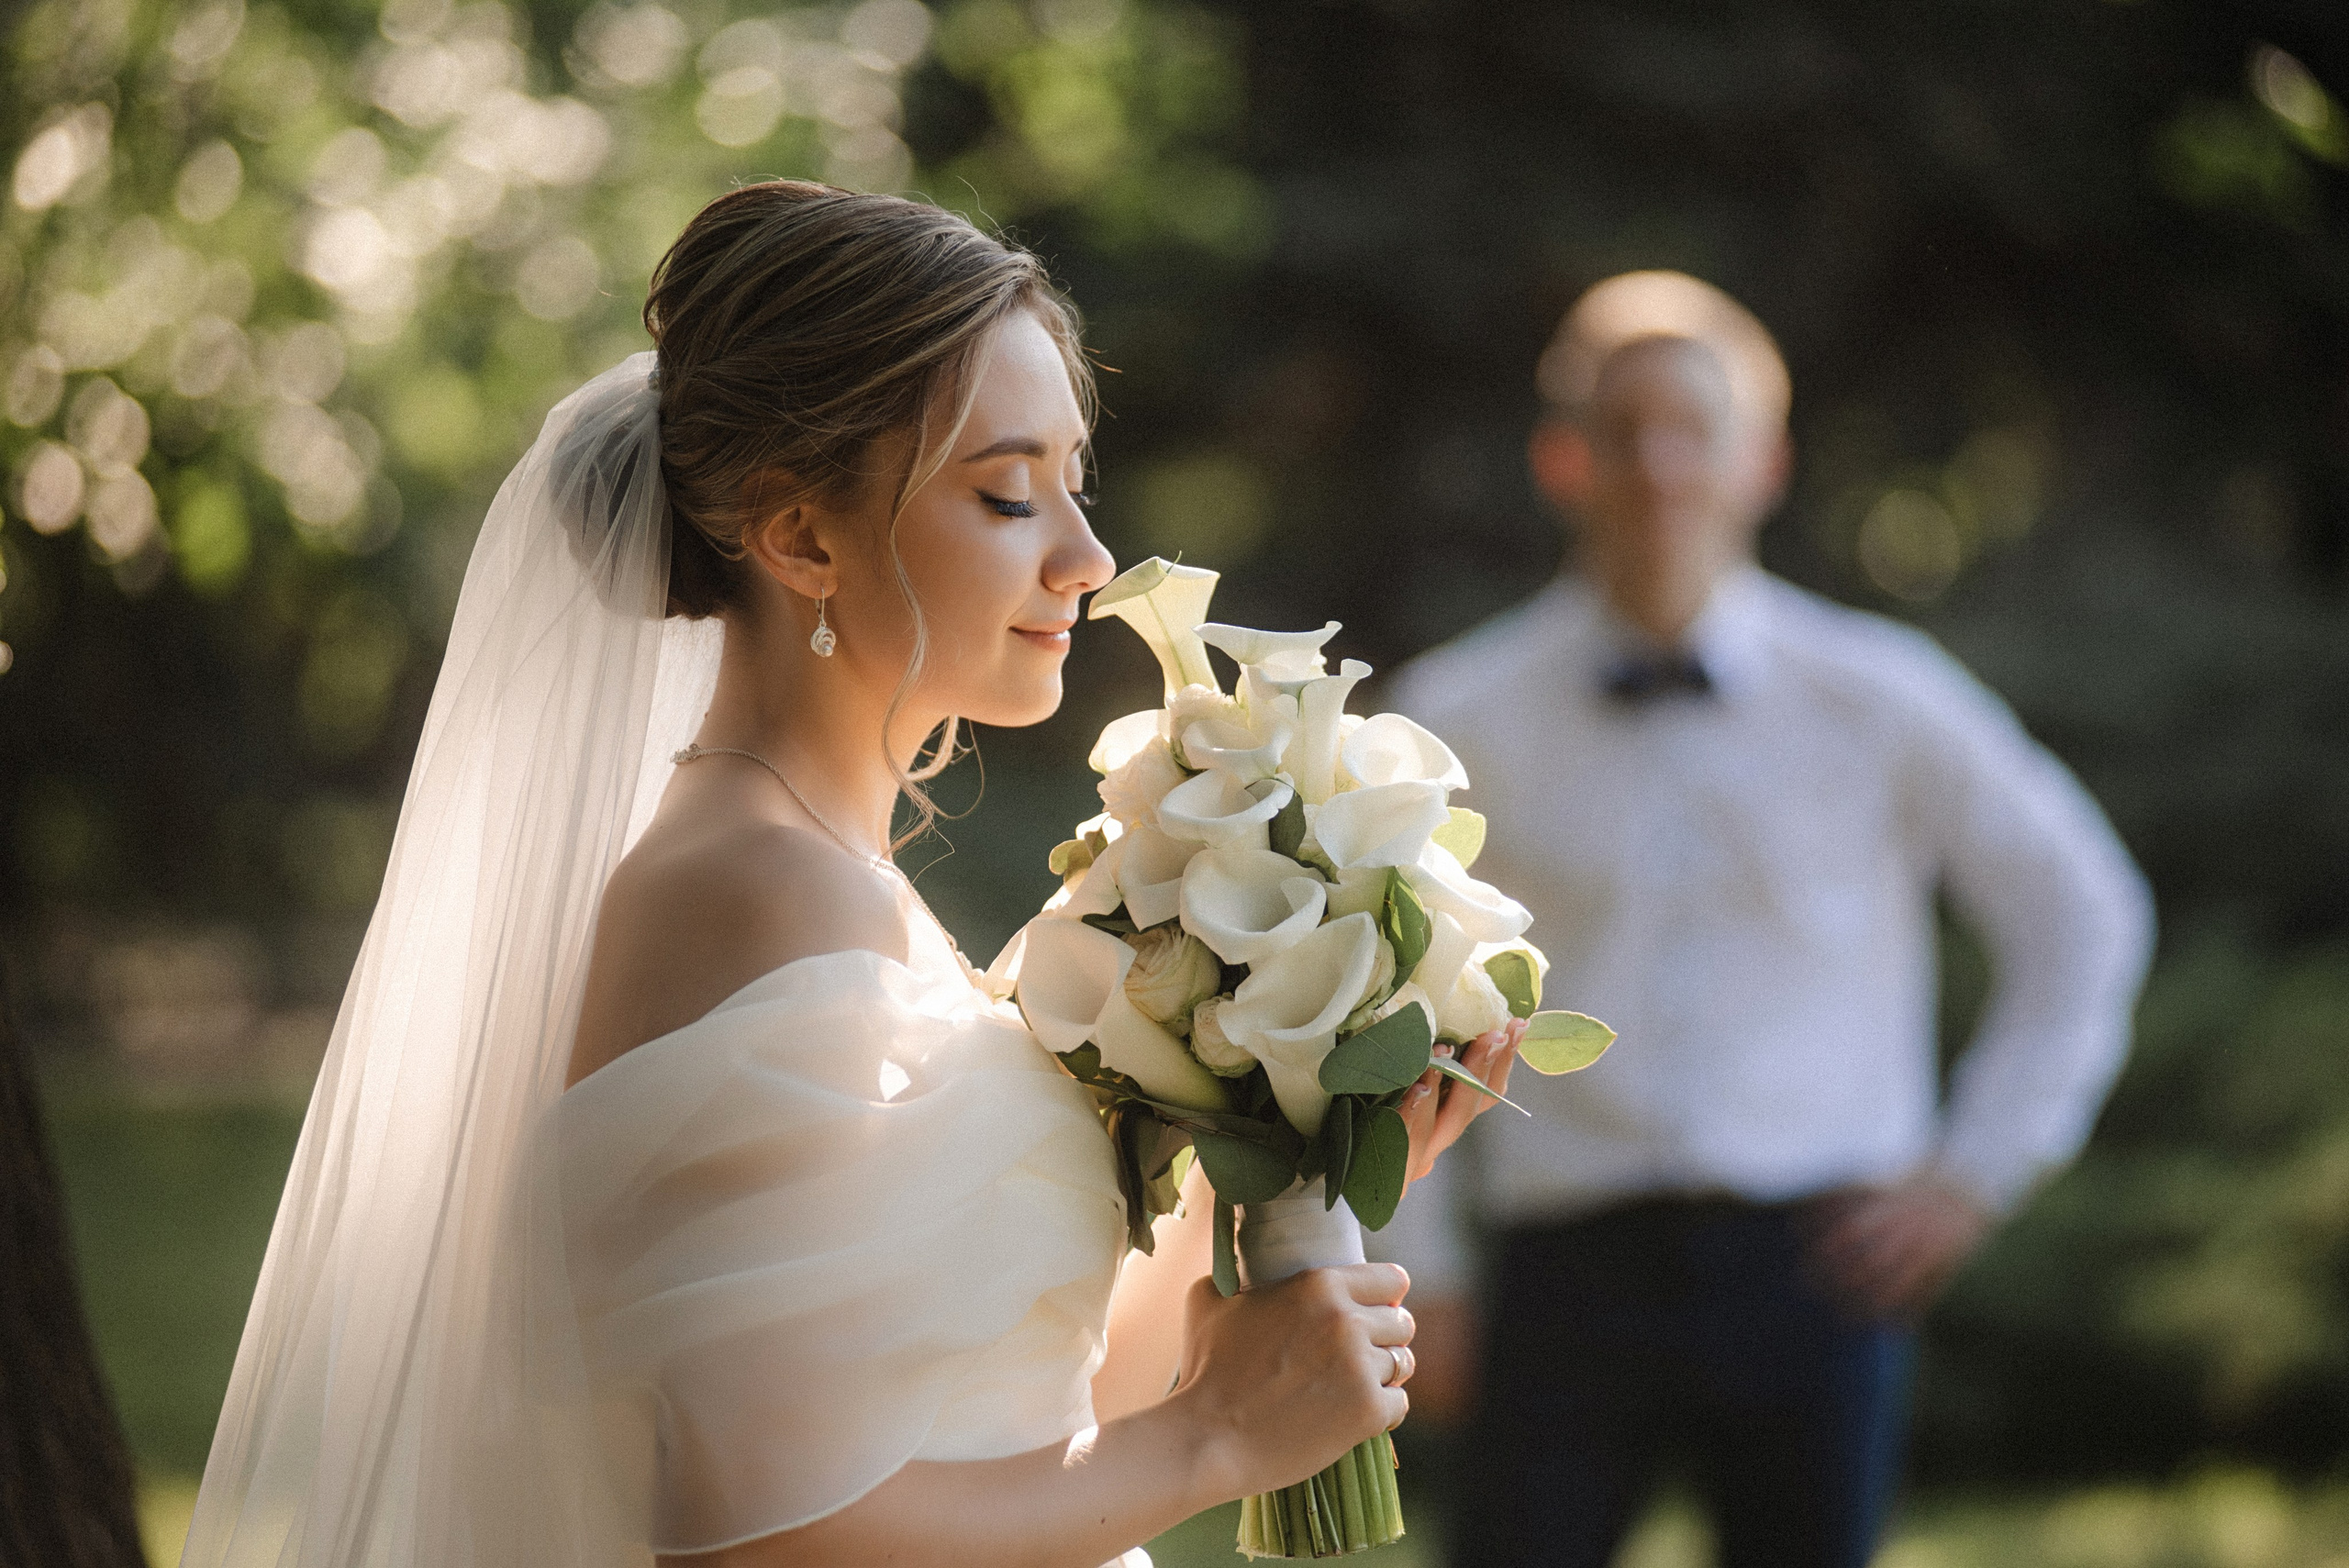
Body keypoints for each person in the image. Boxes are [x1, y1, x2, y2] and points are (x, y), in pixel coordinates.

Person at [177, 183, 1521, 1568]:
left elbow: (1008, 1410)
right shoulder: (754, 888)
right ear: (803, 537)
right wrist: (1212, 1442)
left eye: (1074, 479)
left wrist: (1301, 1170)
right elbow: (756, 1533)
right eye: (1007, 493)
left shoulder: (831, 872)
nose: (1089, 558)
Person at [1375, 271, 2154, 1568]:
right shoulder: (1459, 714)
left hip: (1820, 1266)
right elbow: (1384, 995)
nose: (1662, 465)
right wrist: (1419, 1269)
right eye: (1625, 430)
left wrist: (1976, 1172)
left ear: (1766, 460)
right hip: (1563, 1271)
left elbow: (2084, 911)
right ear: (1562, 459)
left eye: (1697, 429)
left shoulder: (1884, 697)